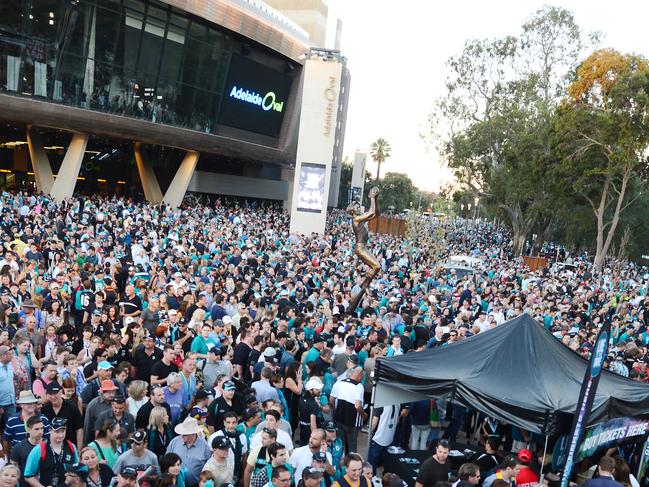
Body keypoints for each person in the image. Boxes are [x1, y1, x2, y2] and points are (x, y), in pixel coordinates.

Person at [23, 417, 78, 487]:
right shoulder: (39, 449)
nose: (60, 435)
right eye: (57, 432)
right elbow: (28, 476)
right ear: (50, 430)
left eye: (63, 431)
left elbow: (77, 470)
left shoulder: (71, 447)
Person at [167, 417, 211, 487]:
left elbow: (208, 469)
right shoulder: (174, 442)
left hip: (195, 485)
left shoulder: (204, 446)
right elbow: (166, 461)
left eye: (185, 434)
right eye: (182, 434)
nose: (182, 436)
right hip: (174, 484)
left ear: (193, 433)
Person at [330, 368, 365, 455]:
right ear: (359, 375)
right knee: (352, 446)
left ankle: (339, 464)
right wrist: (363, 414)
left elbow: (331, 400)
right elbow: (357, 405)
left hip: (339, 418)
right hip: (352, 422)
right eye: (362, 377)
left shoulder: (338, 383)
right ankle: (351, 465)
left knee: (340, 444)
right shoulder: (359, 386)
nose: (362, 379)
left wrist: (335, 411)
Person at [3, 391, 50, 455]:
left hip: (39, 455)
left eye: (33, 402)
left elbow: (48, 439)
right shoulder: (12, 420)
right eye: (28, 403)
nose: (32, 405)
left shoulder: (43, 419)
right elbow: (5, 439)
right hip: (18, 457)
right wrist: (7, 458)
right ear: (21, 405)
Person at [41, 380, 84, 450]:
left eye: (55, 393)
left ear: (61, 392)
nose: (53, 396)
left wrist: (79, 450)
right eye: (50, 394)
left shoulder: (71, 406)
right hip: (51, 448)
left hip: (69, 447)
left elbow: (79, 429)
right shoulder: (45, 409)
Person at [9, 416, 44, 487]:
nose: (40, 432)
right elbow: (13, 468)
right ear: (28, 430)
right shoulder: (18, 447)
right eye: (36, 429)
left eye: (42, 428)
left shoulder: (49, 445)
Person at [83, 379, 118, 444]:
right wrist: (86, 444)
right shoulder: (93, 405)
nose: (111, 394)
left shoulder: (117, 402)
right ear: (102, 392)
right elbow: (87, 426)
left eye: (113, 392)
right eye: (108, 392)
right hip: (99, 438)